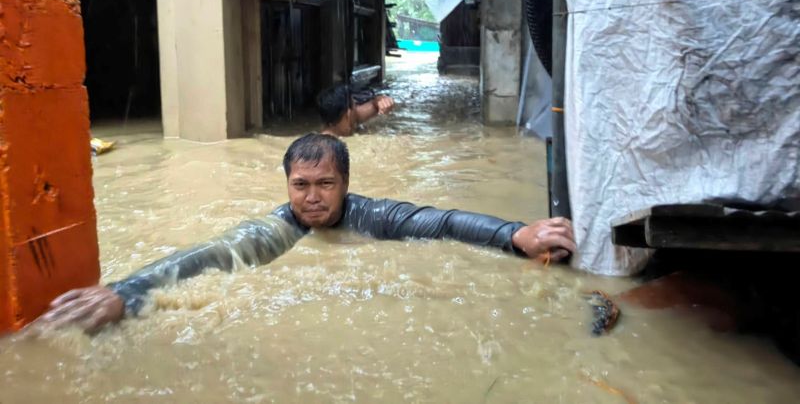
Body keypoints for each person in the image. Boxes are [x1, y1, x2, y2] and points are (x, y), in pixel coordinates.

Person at [35, 133, 576, 333]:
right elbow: (215, 255)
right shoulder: (280, 228)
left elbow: (445, 221)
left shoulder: (374, 216)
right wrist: (125, 294)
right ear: (287, 185)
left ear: (346, 184)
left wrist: (515, 235)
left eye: (325, 184)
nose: (312, 198)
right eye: (300, 185)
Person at [318, 84, 395, 137]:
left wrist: (382, 100)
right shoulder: (330, 143)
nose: (357, 108)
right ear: (348, 114)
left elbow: (374, 104)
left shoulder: (339, 119)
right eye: (355, 105)